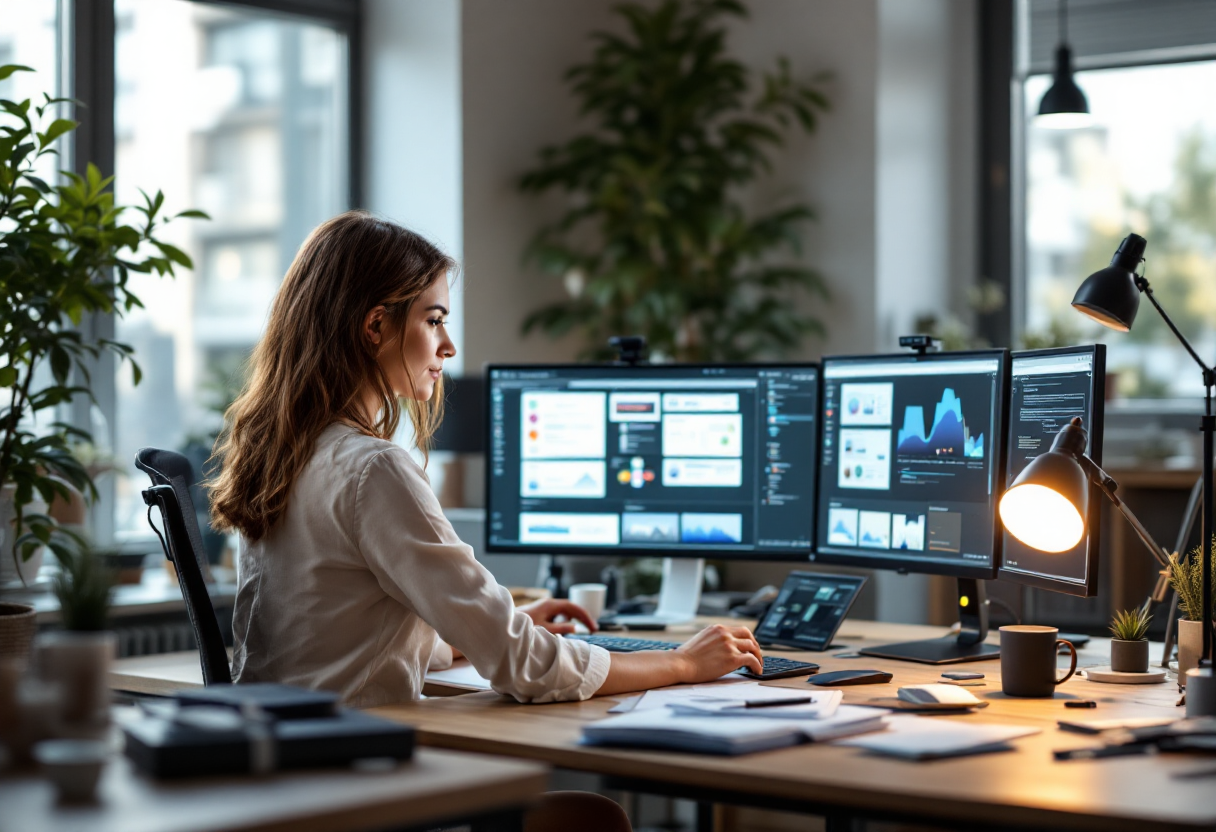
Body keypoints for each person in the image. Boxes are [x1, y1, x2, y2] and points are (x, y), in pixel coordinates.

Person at [207, 212, 763, 830]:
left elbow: (338, 629)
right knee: (589, 820)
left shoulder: (291, 454)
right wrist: (683, 664)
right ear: (375, 326)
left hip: (293, 784)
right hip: (358, 789)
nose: (447, 347)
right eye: (435, 321)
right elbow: (525, 668)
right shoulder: (374, 470)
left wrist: (492, 623)